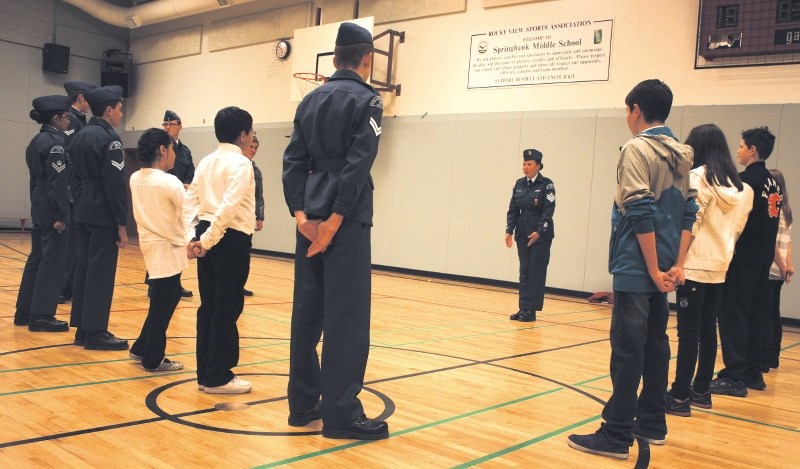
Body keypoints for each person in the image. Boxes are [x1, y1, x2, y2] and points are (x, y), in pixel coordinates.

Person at [568, 79, 696, 460]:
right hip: (663, 267)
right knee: (657, 346)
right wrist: (676, 265)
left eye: (627, 110)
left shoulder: (636, 149)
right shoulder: (683, 154)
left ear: (635, 109)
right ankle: (653, 422)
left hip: (637, 266)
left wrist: (654, 268)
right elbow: (689, 211)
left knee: (627, 349)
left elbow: (638, 208)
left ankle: (617, 433)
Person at [282, 22, 389, 441]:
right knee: (345, 317)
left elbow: (293, 160)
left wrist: (302, 217)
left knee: (307, 313)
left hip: (308, 217)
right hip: (344, 221)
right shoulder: (368, 100)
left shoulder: (310, 101)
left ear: (333, 59)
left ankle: (302, 404)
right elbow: (358, 163)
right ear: (367, 58)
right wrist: (335, 220)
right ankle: (341, 414)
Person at [666, 124, 752, 417]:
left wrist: (677, 262)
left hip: (693, 265)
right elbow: (737, 230)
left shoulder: (698, 178)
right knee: (707, 330)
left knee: (689, 333)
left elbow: (692, 223)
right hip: (719, 266)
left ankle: (679, 396)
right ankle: (701, 391)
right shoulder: (740, 187)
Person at [183, 106, 255, 393]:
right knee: (226, 305)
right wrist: (207, 240)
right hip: (229, 238)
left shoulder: (206, 161)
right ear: (242, 134)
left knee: (210, 305)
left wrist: (193, 236)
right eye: (250, 132)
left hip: (206, 234)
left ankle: (206, 373)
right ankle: (218, 376)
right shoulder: (241, 164)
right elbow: (229, 207)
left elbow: (192, 201)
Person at [711, 127, 782, 396]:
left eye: (741, 146)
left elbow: (736, 224)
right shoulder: (772, 183)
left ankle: (734, 375)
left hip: (743, 260)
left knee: (733, 316)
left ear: (753, 150)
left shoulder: (746, 182)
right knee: (753, 317)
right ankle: (753, 372)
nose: (738, 150)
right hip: (762, 261)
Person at [68, 85, 129, 351]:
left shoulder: (80, 135)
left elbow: (73, 177)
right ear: (109, 109)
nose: (121, 114)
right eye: (119, 109)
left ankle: (83, 328)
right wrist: (121, 222)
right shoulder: (110, 139)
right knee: (101, 273)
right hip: (103, 211)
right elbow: (115, 184)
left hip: (82, 208)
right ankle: (95, 331)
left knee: (84, 270)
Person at [128, 128, 187, 372]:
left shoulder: (135, 177)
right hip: (167, 246)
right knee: (162, 305)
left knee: (168, 298)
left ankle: (141, 347)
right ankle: (153, 358)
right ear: (163, 150)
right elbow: (187, 210)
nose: (174, 154)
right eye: (172, 148)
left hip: (150, 244)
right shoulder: (168, 181)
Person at [13, 95, 73, 332]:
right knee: (52, 262)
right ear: (56, 118)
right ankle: (42, 315)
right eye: (66, 117)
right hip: (52, 210)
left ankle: (24, 311)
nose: (68, 121)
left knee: (36, 260)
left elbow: (36, 182)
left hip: (39, 207)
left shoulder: (36, 141)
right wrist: (61, 215)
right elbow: (57, 183)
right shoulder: (56, 144)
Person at [143, 110, 194, 299]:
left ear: (179, 126)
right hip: (162, 198)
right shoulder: (159, 147)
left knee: (177, 243)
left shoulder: (185, 151)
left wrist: (188, 184)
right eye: (165, 125)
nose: (167, 128)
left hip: (180, 197)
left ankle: (176, 282)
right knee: (159, 241)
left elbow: (190, 172)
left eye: (171, 124)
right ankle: (153, 283)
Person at [505, 148, 555, 322]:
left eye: (529, 164)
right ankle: (523, 307)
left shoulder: (546, 185)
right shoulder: (519, 184)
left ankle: (531, 310)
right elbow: (513, 209)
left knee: (536, 273)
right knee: (524, 272)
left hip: (540, 236)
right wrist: (509, 230)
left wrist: (540, 231)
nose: (526, 167)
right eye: (524, 164)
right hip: (523, 233)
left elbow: (548, 211)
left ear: (538, 166)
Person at [59, 81, 96, 304]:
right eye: (89, 98)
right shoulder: (72, 120)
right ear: (81, 97)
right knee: (71, 245)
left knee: (76, 245)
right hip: (73, 189)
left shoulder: (79, 120)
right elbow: (70, 155)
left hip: (77, 189)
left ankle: (69, 287)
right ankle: (63, 288)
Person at [760, 169, 792, 371]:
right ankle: (773, 356)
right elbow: (789, 243)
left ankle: (764, 356)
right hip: (780, 270)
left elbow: (771, 242)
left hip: (772, 268)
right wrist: (789, 266)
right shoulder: (787, 211)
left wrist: (781, 265)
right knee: (774, 312)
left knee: (765, 314)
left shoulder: (773, 211)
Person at [242, 134, 263, 297]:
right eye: (251, 147)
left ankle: (240, 284)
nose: (253, 150)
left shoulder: (255, 170)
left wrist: (260, 216)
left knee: (245, 255)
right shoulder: (237, 165)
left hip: (249, 218)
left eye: (256, 148)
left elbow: (259, 196)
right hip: (236, 219)